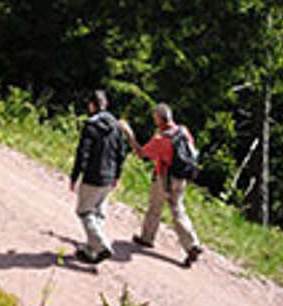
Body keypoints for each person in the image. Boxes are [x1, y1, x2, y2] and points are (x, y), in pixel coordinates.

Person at [125, 103, 205, 267]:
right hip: (181, 178)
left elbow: (141, 153)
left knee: (155, 206)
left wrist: (129, 134)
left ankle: (147, 238)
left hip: (164, 177)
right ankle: (192, 244)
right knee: (178, 209)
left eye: (155, 118)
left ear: (160, 119)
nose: (154, 121)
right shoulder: (184, 131)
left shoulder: (161, 140)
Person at [68, 89, 128, 264]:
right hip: (109, 177)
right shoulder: (117, 126)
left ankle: (102, 246)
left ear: (91, 105)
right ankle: (90, 250)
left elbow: (82, 153)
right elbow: (121, 153)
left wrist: (74, 176)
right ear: (106, 104)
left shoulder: (91, 125)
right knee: (99, 214)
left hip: (93, 176)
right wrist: (117, 175)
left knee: (84, 211)